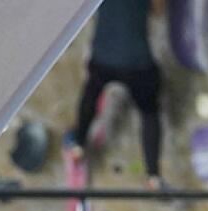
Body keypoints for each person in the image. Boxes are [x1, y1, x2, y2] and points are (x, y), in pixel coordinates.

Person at [64, 0, 167, 189]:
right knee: (149, 112)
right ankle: (153, 176)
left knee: (91, 94)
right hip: (138, 63)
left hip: (103, 57)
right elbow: (158, 11)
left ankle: (78, 145)